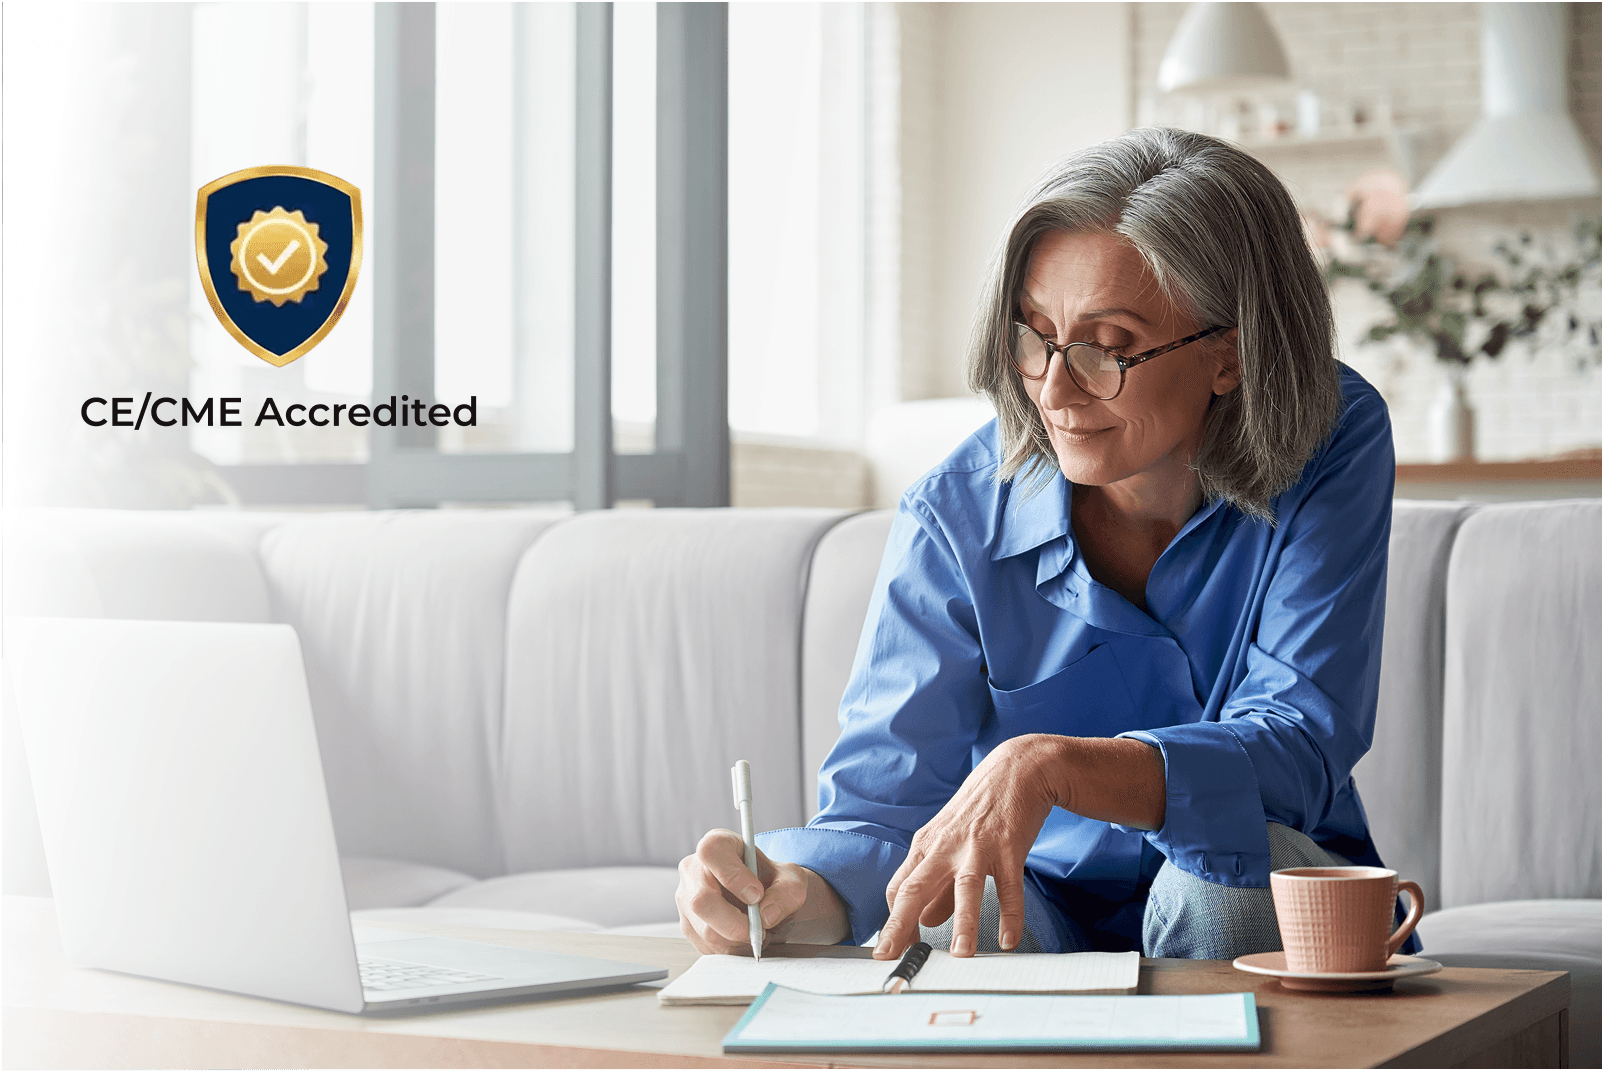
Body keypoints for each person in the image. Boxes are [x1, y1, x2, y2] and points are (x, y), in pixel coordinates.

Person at [677, 127, 1407, 962]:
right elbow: (883, 812)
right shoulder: (954, 512)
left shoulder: (1332, 437)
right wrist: (786, 896)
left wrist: (1055, 765)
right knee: (957, 904)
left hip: (1248, 889)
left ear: (1228, 359)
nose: (1054, 390)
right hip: (1042, 902)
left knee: (1225, 881)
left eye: (1109, 347)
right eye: (1034, 336)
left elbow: (1298, 739)